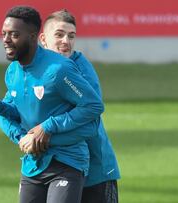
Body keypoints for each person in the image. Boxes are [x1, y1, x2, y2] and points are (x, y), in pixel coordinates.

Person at [0, 6, 104, 203]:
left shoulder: (59, 69)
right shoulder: (12, 72)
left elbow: (93, 106)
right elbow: (17, 114)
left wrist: (47, 126)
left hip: (67, 162)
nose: (6, 39)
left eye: (14, 34)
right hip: (32, 164)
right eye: (4, 33)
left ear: (33, 36)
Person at [38, 9, 120, 203]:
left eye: (71, 36)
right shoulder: (36, 68)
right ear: (43, 39)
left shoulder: (80, 67)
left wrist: (47, 127)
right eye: (59, 34)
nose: (66, 41)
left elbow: (91, 110)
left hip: (95, 170)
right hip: (53, 167)